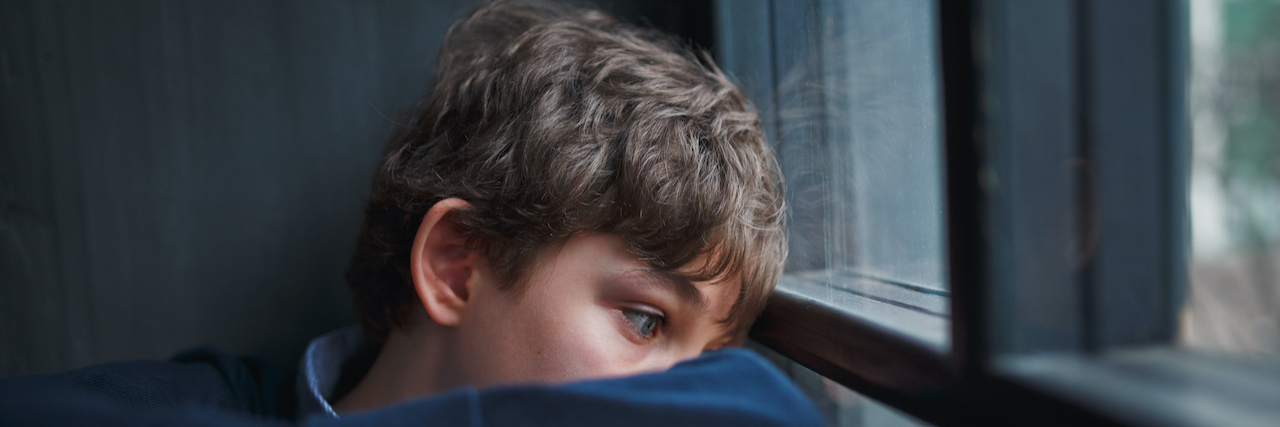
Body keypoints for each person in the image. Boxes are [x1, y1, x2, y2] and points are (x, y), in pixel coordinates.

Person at [0, 1, 822, 425]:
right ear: (456, 264)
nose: (689, 394)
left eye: (712, 354)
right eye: (645, 321)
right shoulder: (173, 402)